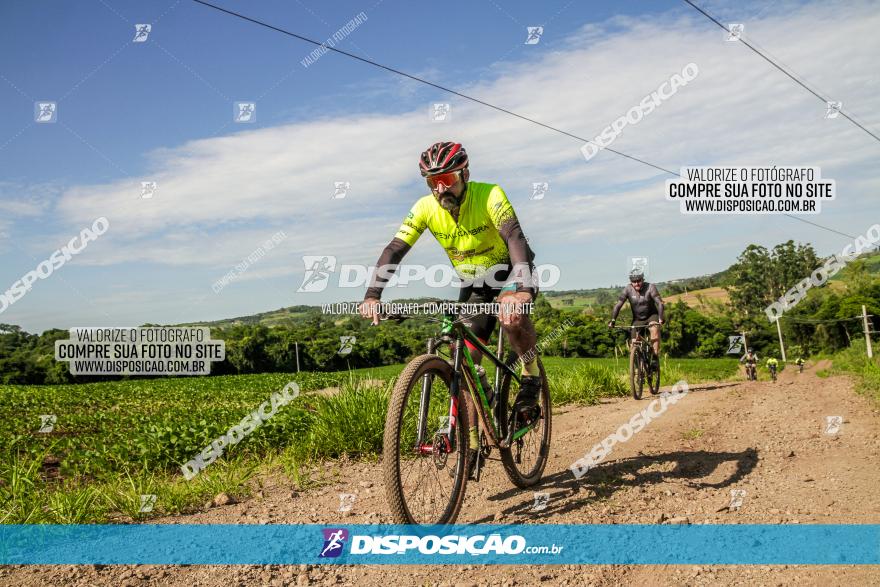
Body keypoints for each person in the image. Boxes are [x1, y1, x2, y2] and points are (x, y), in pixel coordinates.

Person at [358, 141, 541, 477]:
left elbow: (514, 237)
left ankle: (530, 378)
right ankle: (472, 440)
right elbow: (395, 248)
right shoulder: (425, 207)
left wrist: (523, 290)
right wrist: (373, 295)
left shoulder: (489, 195)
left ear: (465, 173)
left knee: (512, 317)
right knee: (466, 359)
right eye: (433, 181)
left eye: (447, 178)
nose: (441, 188)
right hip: (474, 283)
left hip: (511, 271)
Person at [608, 269, 665, 365]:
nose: (637, 283)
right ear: (631, 282)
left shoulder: (650, 287)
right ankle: (638, 369)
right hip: (638, 319)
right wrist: (613, 320)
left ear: (643, 279)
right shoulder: (628, 289)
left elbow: (660, 303)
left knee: (654, 330)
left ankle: (655, 356)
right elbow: (618, 305)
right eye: (634, 281)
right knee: (634, 343)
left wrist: (660, 318)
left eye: (639, 280)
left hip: (652, 315)